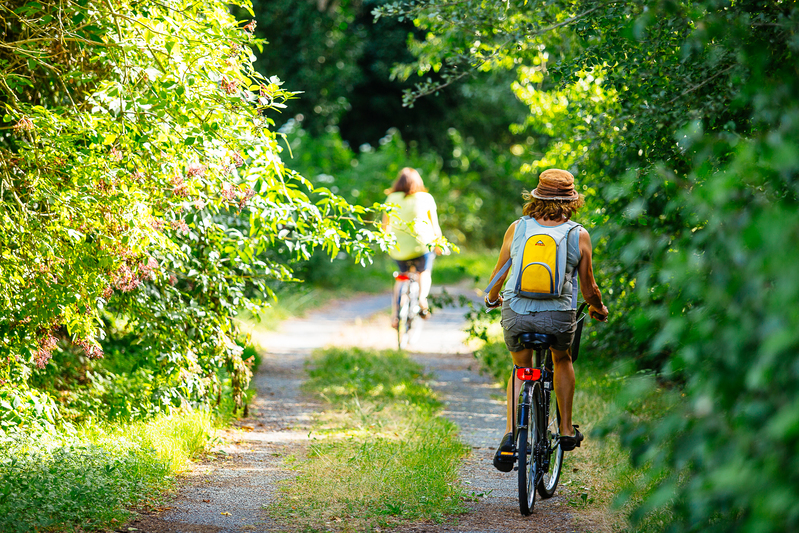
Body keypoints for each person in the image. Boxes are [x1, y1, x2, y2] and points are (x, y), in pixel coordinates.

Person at [484, 168, 609, 473]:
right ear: (572, 200)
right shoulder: (578, 234)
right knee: (563, 359)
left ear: (535, 197)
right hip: (557, 317)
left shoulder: (518, 228)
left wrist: (491, 298)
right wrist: (598, 308)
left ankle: (511, 434)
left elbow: (500, 274)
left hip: (516, 313)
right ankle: (566, 429)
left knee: (521, 368)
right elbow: (589, 286)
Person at [382, 167, 443, 327]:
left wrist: (387, 243)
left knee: (402, 277)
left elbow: (384, 226)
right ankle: (422, 299)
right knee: (424, 272)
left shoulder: (391, 198)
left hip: (398, 248)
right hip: (421, 246)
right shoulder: (426, 198)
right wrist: (439, 244)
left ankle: (395, 315)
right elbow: (434, 226)